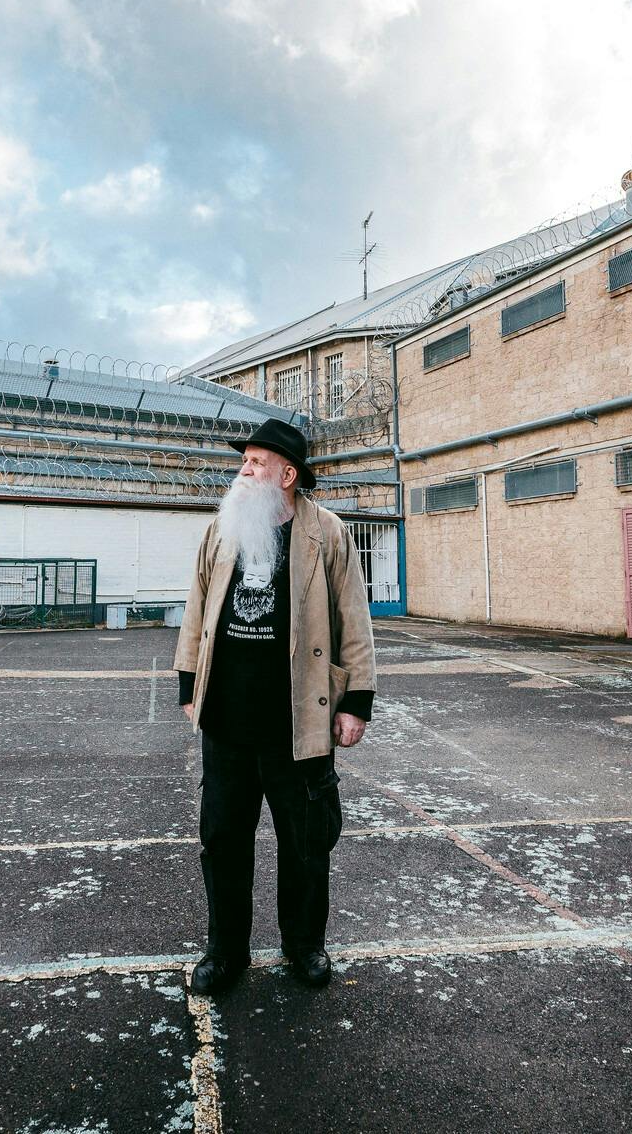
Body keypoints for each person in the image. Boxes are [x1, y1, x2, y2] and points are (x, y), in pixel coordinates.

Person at [173, 417, 376, 993]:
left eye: (256, 462)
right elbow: (196, 610)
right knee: (223, 842)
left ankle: (305, 946)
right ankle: (226, 951)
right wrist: (189, 686)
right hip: (228, 721)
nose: (244, 469)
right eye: (245, 461)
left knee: (307, 844)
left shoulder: (327, 533)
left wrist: (355, 702)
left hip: (300, 722)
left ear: (288, 475)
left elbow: (353, 623)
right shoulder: (222, 530)